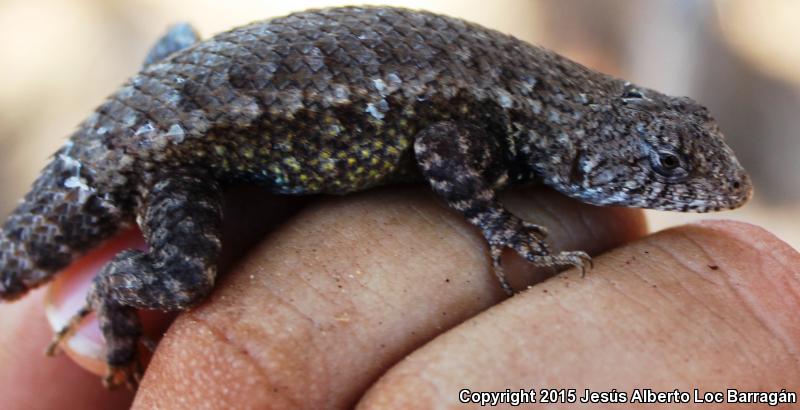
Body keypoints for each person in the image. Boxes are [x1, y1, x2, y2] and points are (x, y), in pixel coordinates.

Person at [1, 185, 797, 409]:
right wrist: (493, 220)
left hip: (179, 144)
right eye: (667, 168)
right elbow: (447, 153)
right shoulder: (496, 137)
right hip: (163, 158)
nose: (711, 192)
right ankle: (114, 296)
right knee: (177, 279)